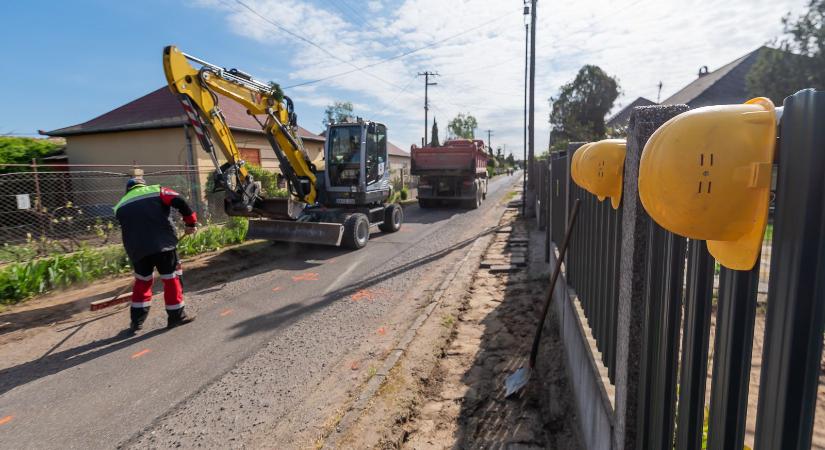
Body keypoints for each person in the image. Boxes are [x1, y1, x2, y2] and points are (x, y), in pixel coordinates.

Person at [114, 177, 198, 333]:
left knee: (142, 283)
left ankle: (136, 323)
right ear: (142, 185)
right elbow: (180, 201)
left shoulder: (120, 205)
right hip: (163, 245)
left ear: (128, 190)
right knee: (171, 278)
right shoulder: (156, 191)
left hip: (137, 250)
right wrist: (190, 223)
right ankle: (176, 317)